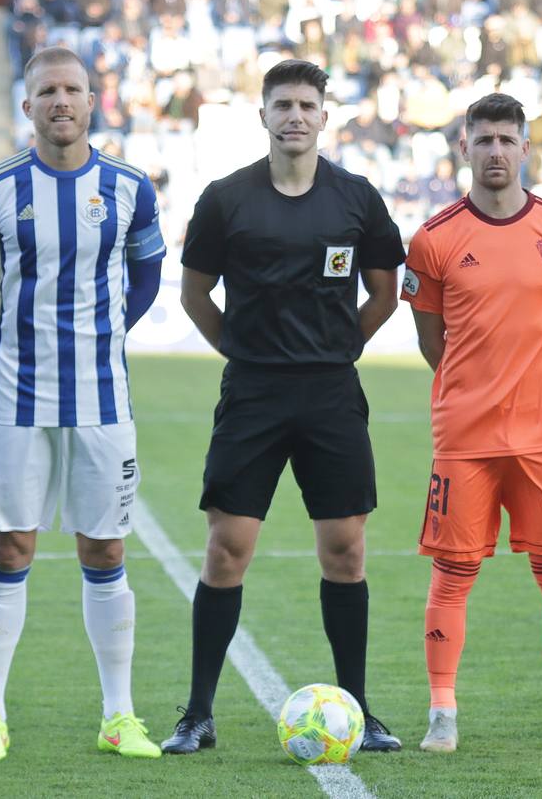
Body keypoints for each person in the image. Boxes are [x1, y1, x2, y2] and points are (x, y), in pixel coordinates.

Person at [161, 59, 404, 755]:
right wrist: (242, 351)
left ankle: (356, 707)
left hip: (330, 395)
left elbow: (384, 294)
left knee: (345, 550)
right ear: (261, 116)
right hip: (252, 395)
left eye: (306, 103)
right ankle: (198, 714)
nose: (294, 115)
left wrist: (334, 351)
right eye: (282, 104)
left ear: (325, 116)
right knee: (227, 549)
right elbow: (194, 295)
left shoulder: (356, 199)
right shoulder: (225, 199)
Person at [0, 46, 166, 763]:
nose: (60, 102)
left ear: (92, 101)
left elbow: (145, 279)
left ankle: (118, 715)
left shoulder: (131, 187)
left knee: (104, 548)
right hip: (15, 402)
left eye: (72, 89)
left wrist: (98, 341)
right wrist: (17, 344)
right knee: (11, 547)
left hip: (104, 401)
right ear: (28, 105)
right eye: (47, 91)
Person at [399, 93, 542, 754]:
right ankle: (441, 714)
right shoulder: (432, 239)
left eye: (504, 140)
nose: (493, 152)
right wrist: (475, 390)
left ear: (524, 149)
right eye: (480, 140)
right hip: (464, 437)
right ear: (462, 147)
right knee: (452, 574)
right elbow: (432, 341)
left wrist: (533, 384)